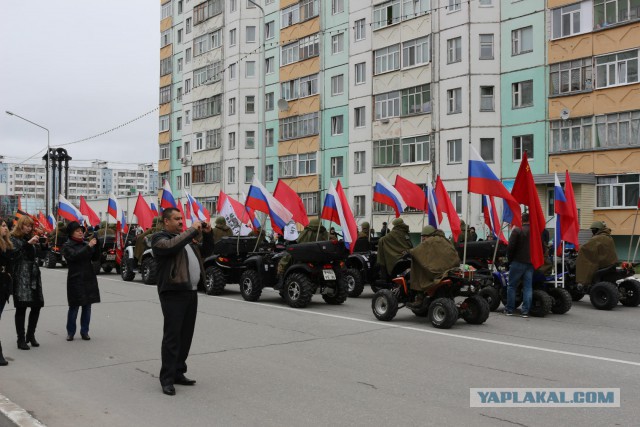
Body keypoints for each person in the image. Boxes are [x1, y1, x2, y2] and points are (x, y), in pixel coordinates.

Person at [152, 208, 214, 396]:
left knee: (185, 336)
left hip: (190, 292)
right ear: (166, 222)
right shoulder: (159, 239)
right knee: (172, 336)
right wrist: (191, 231)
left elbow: (206, 252)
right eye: (176, 219)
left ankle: (179, 372)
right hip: (173, 292)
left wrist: (208, 235)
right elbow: (171, 247)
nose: (181, 221)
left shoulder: (185, 238)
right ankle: (167, 379)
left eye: (182, 218)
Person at [10, 216, 44, 350]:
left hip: (34, 275)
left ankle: (31, 335)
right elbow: (15, 254)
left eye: (30, 226)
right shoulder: (14, 238)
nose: (29, 228)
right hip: (21, 275)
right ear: (20, 225)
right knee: (22, 307)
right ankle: (21, 339)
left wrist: (43, 245)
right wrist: (28, 243)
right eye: (26, 225)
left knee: (37, 305)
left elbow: (39, 255)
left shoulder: (32, 237)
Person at [62, 221, 100, 341]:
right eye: (77, 230)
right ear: (71, 233)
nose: (80, 232)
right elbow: (75, 256)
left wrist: (97, 245)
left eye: (82, 231)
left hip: (88, 277)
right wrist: (88, 247)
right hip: (75, 278)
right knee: (74, 306)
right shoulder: (67, 246)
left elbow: (95, 258)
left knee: (87, 306)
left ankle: (85, 331)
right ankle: (70, 332)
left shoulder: (85, 243)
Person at [408, 225, 461, 307]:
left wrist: (408, 252)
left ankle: (420, 296)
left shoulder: (430, 241)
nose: (423, 239)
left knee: (420, 272)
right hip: (450, 269)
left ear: (429, 235)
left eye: (424, 236)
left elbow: (416, 251)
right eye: (422, 237)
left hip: (437, 273)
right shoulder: (445, 240)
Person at [505, 213, 533, 318]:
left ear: (522, 220)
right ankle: (525, 311)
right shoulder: (535, 232)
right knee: (528, 287)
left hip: (517, 261)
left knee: (512, 286)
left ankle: (510, 309)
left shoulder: (517, 230)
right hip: (530, 263)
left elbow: (510, 247)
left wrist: (509, 260)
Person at [575, 221, 618, 286]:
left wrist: (578, 247)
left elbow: (586, 248)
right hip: (610, 263)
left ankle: (582, 283)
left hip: (602, 263)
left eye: (594, 230)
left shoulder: (598, 238)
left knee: (584, 262)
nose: (592, 231)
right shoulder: (608, 237)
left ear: (598, 230)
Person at [0, 218, 16, 365]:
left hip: (3, 288)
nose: (6, 228)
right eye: (3, 226)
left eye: (6, 226)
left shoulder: (8, 245)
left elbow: (10, 265)